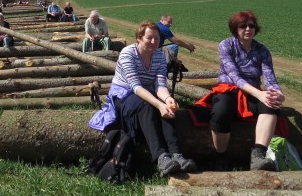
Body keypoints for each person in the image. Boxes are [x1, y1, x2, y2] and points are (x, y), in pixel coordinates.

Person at [88, 21, 197, 177]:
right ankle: (160, 157)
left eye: (157, 38)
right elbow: (136, 87)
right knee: (147, 106)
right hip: (123, 95)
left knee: (168, 108)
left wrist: (167, 100)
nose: (153, 42)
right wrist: (159, 104)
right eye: (149, 38)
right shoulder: (128, 53)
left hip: (146, 93)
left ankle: (176, 154)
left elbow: (160, 84)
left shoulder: (159, 56)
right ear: (139, 38)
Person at [198, 10, 284, 171]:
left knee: (271, 105)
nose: (247, 29)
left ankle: (258, 155)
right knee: (220, 111)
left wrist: (278, 94)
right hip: (228, 89)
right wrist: (259, 94)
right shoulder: (226, 45)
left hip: (251, 92)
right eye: (242, 26)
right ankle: (221, 156)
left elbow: (270, 79)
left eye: (251, 26)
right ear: (235, 29)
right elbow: (235, 77)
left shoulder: (262, 50)